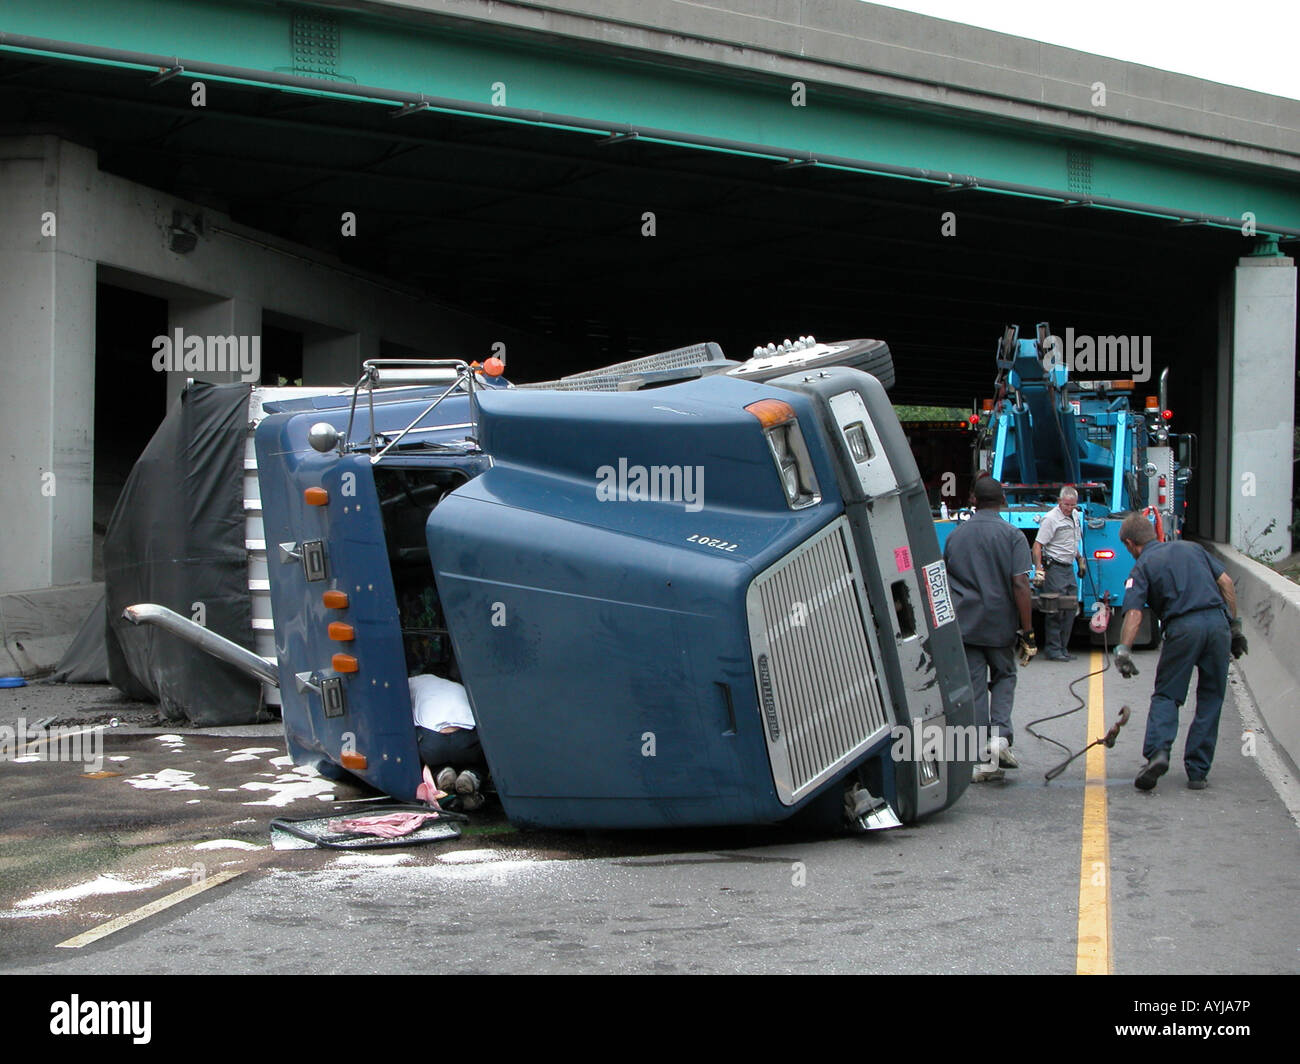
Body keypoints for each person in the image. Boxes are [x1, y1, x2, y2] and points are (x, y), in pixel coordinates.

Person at [1113, 513, 1247, 791]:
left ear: (1130, 543)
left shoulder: (1143, 566)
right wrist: (1234, 629)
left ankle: (1158, 754)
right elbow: (1227, 583)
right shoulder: (1192, 548)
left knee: (1168, 695)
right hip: (1217, 624)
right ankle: (1198, 772)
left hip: (1183, 629)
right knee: (1211, 697)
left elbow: (1135, 613)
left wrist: (1124, 650)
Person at [943, 476, 1037, 781]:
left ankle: (982, 754)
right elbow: (1021, 584)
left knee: (974, 688)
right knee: (1005, 676)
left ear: (973, 500)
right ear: (1002, 501)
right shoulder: (1012, 536)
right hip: (1000, 625)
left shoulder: (956, 536)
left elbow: (944, 582)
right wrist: (1028, 631)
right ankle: (999, 737)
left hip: (966, 625)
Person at [409, 672, 488, 809]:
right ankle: (472, 775)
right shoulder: (458, 686)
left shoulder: (410, 684)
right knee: (482, 759)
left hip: (433, 742)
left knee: (423, 752)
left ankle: (441, 773)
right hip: (467, 739)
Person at [1032, 486, 1087, 661]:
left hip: (1069, 567)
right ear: (1059, 502)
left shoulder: (1076, 516)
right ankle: (1053, 649)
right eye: (1066, 504)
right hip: (1054, 568)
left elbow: (1073, 541)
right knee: (1055, 610)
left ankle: (1063, 648)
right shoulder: (1051, 519)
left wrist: (1080, 559)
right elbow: (1037, 546)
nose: (1069, 508)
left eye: (1072, 505)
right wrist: (1039, 569)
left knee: (1070, 608)